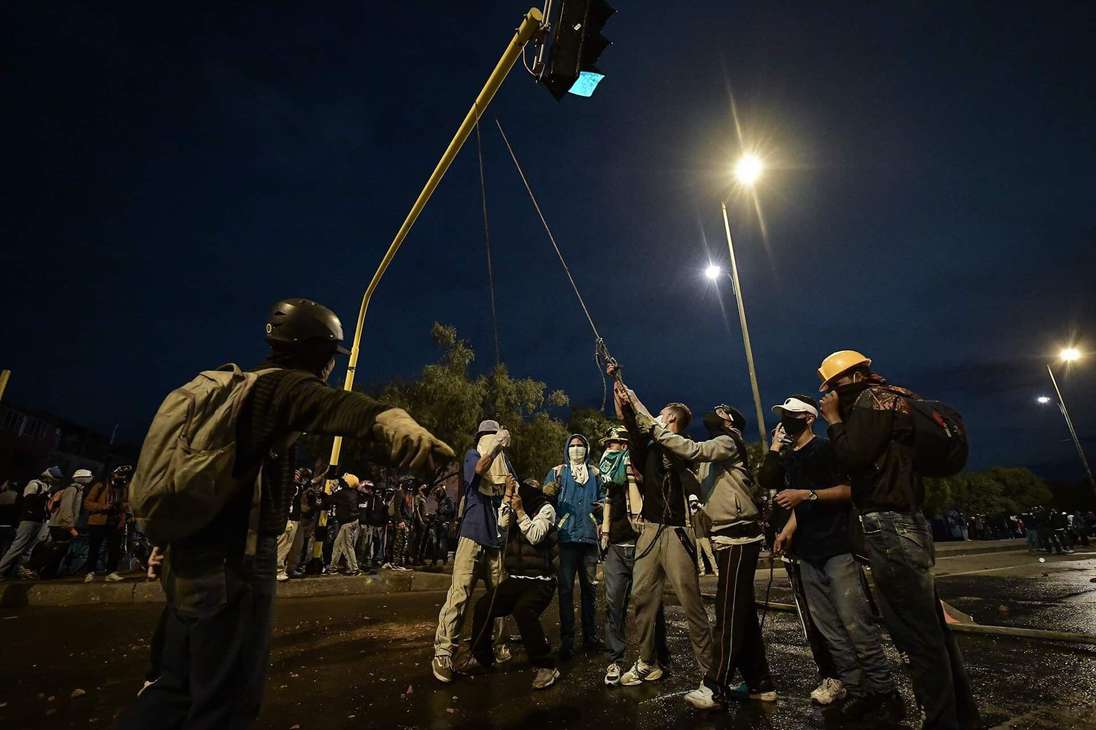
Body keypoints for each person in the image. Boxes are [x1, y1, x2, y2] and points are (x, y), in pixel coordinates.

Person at [118, 298, 452, 730]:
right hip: (234, 564)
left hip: (187, 556)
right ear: (317, 352)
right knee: (225, 702)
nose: (331, 366)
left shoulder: (241, 387)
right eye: (331, 356)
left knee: (171, 686)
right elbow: (337, 408)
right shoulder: (282, 388)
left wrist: (166, 541)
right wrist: (395, 422)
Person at [817, 350, 979, 729]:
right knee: (931, 630)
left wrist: (834, 420)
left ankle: (941, 721)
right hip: (908, 523)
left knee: (916, 635)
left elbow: (851, 456)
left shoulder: (872, 403)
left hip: (889, 527)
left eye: (832, 386)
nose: (829, 395)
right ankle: (961, 716)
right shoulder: (898, 398)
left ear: (851, 378)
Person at [764, 394, 901, 721]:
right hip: (807, 553)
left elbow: (848, 491)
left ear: (809, 418)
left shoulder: (825, 449)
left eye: (793, 414)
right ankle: (856, 690)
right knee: (829, 628)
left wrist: (806, 494)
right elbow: (787, 494)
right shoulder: (790, 458)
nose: (786, 420)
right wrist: (787, 532)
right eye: (784, 415)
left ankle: (885, 691)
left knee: (855, 623)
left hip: (836, 548)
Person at [634, 399, 774, 711]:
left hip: (739, 537)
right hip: (727, 537)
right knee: (745, 615)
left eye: (721, 411)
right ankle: (760, 683)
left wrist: (652, 425)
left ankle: (715, 686)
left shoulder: (727, 441)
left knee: (728, 614)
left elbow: (692, 451)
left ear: (730, 421)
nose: (714, 413)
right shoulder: (717, 451)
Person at [611, 380, 714, 697]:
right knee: (641, 598)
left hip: (677, 531)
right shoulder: (650, 447)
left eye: (661, 414)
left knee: (691, 603)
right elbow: (632, 424)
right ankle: (647, 661)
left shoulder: (683, 447)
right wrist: (624, 398)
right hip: (651, 531)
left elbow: (655, 430)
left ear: (671, 420)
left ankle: (711, 675)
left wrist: (635, 402)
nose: (656, 416)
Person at [432, 419, 511, 684]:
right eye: (490, 435)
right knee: (460, 593)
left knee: (499, 596)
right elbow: (479, 469)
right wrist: (496, 448)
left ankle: (500, 645)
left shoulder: (503, 461)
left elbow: (513, 485)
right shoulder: (473, 455)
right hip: (472, 534)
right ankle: (443, 652)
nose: (493, 438)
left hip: (496, 539)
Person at [465, 476, 560, 690]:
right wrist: (507, 496)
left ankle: (546, 665)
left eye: (531, 488)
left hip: (541, 580)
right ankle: (481, 656)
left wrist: (520, 511)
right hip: (517, 578)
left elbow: (535, 535)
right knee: (484, 606)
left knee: (523, 610)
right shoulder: (517, 506)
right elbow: (501, 526)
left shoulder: (547, 510)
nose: (527, 491)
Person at [598, 424, 670, 686]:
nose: (607, 449)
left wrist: (629, 475)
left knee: (649, 605)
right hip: (616, 546)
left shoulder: (641, 470)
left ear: (625, 446)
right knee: (614, 605)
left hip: (642, 544)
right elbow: (608, 500)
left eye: (612, 444)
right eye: (607, 445)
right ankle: (615, 660)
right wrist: (605, 533)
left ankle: (653, 659)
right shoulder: (610, 476)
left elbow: (639, 508)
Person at [543, 433, 602, 660]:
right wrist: (551, 490)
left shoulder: (595, 473)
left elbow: (606, 497)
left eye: (580, 446)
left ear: (587, 449)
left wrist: (602, 506)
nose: (576, 449)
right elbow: (545, 499)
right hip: (566, 539)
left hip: (588, 538)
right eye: (573, 445)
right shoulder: (558, 472)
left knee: (590, 590)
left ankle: (590, 637)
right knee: (565, 591)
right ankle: (567, 641)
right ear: (567, 448)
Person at [0, 466, 61, 580]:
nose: (56, 480)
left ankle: (21, 571)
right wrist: (46, 494)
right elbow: (28, 501)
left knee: (28, 549)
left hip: (39, 520)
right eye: (55, 478)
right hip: (29, 519)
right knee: (17, 547)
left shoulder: (46, 486)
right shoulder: (34, 484)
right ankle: (1, 570)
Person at [82, 468, 128, 582]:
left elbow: (125, 504)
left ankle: (111, 572)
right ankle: (90, 572)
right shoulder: (100, 486)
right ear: (113, 474)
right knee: (94, 548)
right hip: (98, 522)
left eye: (123, 475)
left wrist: (123, 519)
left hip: (115, 522)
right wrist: (102, 507)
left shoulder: (124, 488)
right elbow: (87, 503)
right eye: (119, 474)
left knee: (114, 548)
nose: (122, 477)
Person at [275, 468, 306, 582]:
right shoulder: (288, 486)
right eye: (295, 474)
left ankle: (291, 568)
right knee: (284, 544)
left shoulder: (298, 486)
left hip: (296, 519)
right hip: (289, 519)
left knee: (296, 546)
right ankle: (278, 570)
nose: (297, 476)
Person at [329, 474, 363, 575]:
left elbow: (329, 500)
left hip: (347, 523)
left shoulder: (343, 493)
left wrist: (331, 491)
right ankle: (332, 567)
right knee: (338, 544)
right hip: (352, 521)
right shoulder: (354, 492)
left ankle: (354, 569)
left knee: (347, 547)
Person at [433, 484, 456, 566]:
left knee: (443, 542)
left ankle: (444, 560)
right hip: (438, 522)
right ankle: (434, 560)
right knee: (436, 542)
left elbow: (452, 510)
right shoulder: (440, 500)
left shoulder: (447, 500)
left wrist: (443, 511)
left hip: (444, 523)